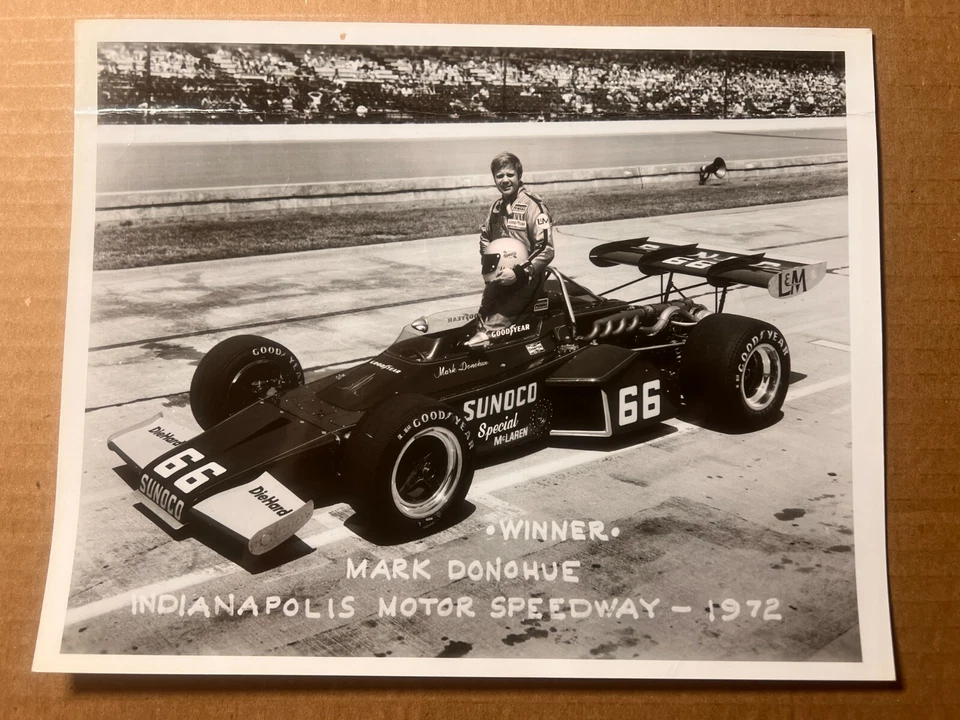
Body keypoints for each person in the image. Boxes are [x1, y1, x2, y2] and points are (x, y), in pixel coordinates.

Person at [469, 152, 555, 344]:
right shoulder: (497, 208)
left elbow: (545, 249)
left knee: (492, 331)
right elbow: (485, 238)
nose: (505, 180)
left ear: (519, 176)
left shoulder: (534, 206)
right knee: (481, 321)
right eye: (500, 176)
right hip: (498, 278)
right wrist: (492, 264)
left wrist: (518, 272)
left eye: (510, 175)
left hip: (525, 280)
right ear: (494, 179)